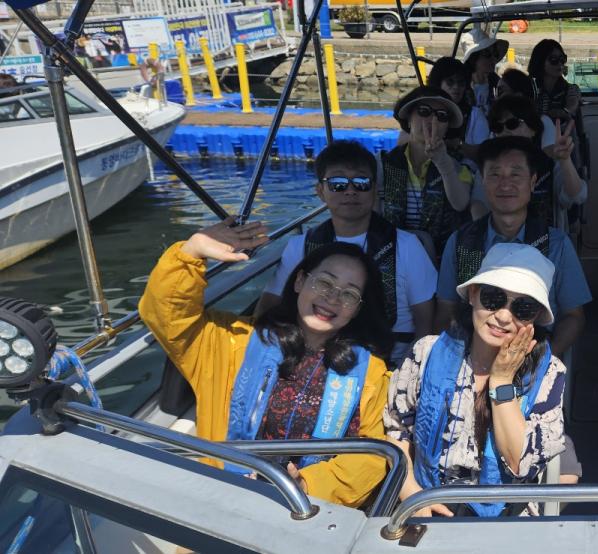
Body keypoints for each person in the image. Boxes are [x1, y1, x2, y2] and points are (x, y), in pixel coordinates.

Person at [140, 221, 392, 507]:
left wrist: (306, 485)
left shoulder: (370, 372)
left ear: (357, 309)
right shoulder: (231, 342)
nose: (332, 298)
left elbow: (370, 457)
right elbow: (168, 316)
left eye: (349, 294)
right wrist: (191, 253)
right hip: (222, 498)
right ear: (299, 281)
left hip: (308, 511)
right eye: (324, 282)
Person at [385, 243, 567, 517]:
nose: (503, 316)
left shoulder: (550, 373)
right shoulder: (426, 352)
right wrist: (410, 491)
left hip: (506, 519)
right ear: (472, 294)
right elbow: (397, 429)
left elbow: (520, 463)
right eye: (493, 298)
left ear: (537, 317)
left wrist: (502, 381)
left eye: (523, 308)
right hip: (423, 504)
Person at [257, 141, 438, 362]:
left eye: (361, 183)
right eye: (338, 184)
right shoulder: (300, 246)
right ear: (320, 191)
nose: (350, 191)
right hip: (312, 358)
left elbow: (426, 321)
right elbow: (269, 306)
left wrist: (411, 368)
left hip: (390, 361)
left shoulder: (408, 246)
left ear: (375, 189)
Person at [436, 136, 591, 357]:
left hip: (534, 356)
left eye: (515, 174)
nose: (505, 184)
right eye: (495, 174)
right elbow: (445, 311)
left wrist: (543, 364)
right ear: (482, 181)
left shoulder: (557, 244)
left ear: (533, 181)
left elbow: (573, 316)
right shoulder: (460, 241)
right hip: (469, 359)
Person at [381, 86, 475, 259]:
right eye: (424, 111)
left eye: (442, 116)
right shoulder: (381, 165)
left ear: (447, 127)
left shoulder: (460, 167)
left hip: (439, 261)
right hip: (390, 257)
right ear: (409, 119)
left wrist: (443, 162)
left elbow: (460, 204)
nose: (433, 120)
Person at [476, 95, 587, 227]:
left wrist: (565, 160)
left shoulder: (549, 164)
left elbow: (576, 196)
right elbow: (478, 203)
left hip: (548, 238)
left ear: (533, 129)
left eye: (512, 124)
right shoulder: (488, 167)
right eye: (497, 127)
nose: (505, 131)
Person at [462, 34, 510, 148]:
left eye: (495, 54)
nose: (493, 59)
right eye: (487, 54)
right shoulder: (461, 84)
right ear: (474, 58)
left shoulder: (498, 83)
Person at [528, 39, 581, 123]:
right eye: (553, 60)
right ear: (540, 61)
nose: (560, 64)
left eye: (562, 59)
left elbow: (572, 103)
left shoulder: (571, 89)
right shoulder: (528, 88)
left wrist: (564, 112)